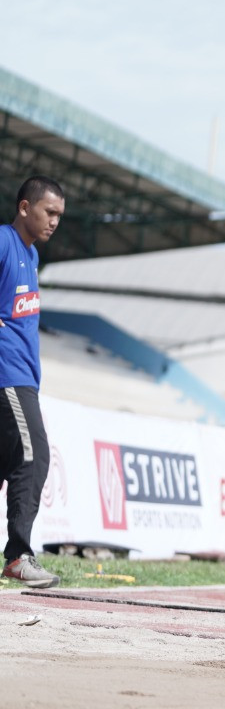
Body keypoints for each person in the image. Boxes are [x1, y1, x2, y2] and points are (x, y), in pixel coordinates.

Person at [1, 176, 64, 589]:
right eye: (49, 212)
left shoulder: (32, 255)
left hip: (25, 377)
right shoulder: (4, 242)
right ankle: (19, 555)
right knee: (32, 456)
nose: (55, 221)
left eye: (60, 215)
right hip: (9, 376)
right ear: (25, 207)